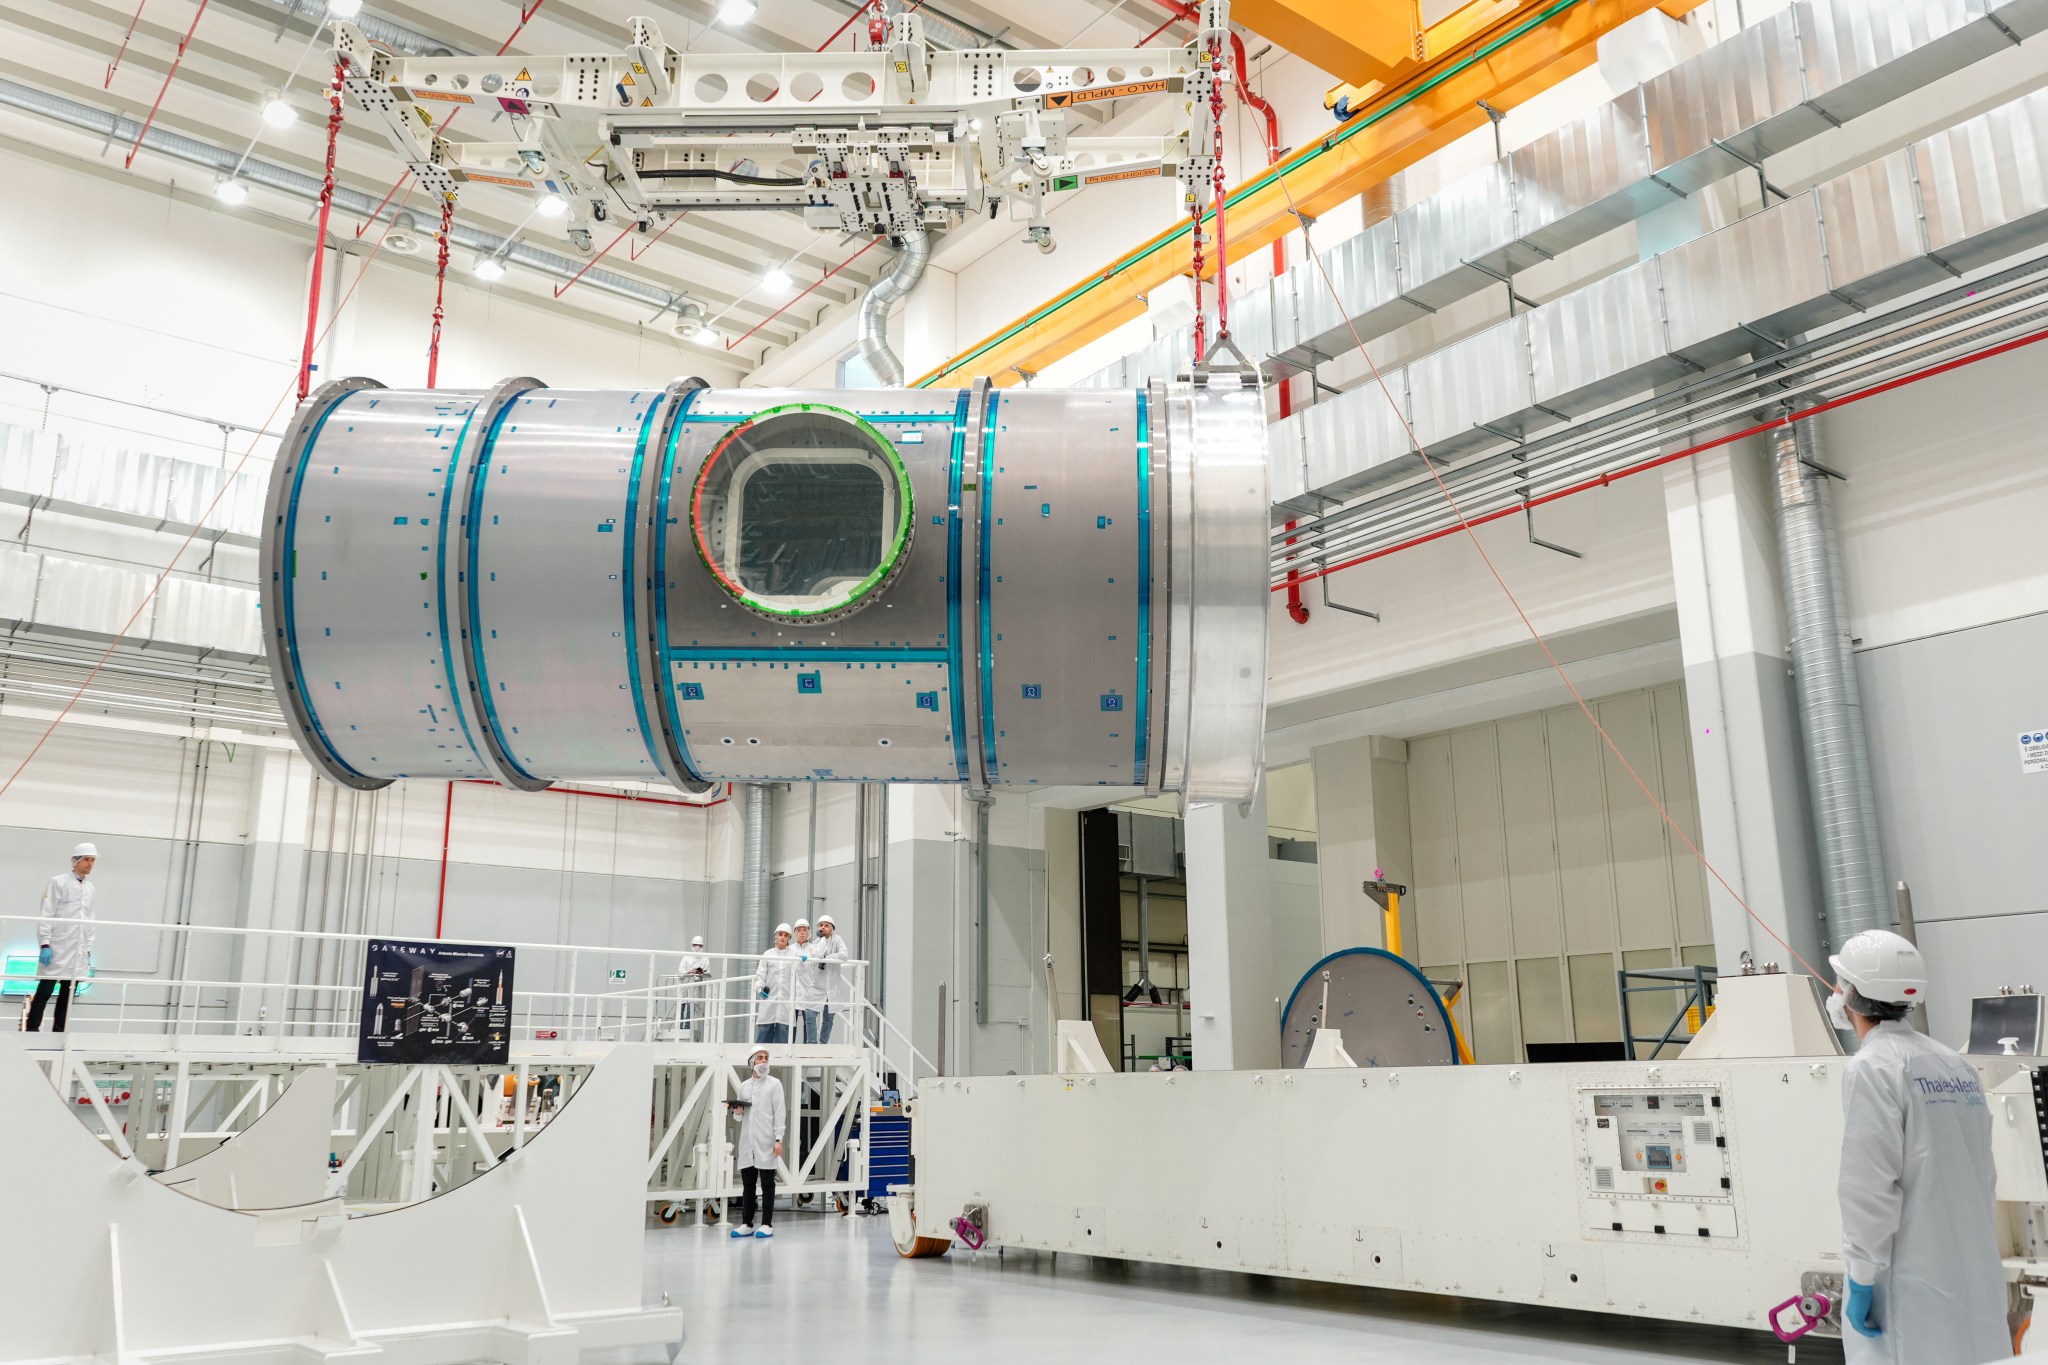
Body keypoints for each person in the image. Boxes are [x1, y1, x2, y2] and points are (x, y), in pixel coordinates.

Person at [1831, 928, 2007, 1363]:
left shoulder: (1872, 1068)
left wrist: (1861, 1274)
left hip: (1908, 1281)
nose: (1835, 992)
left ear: (1853, 994)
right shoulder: (1953, 1064)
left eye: (1840, 983)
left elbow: (1868, 1186)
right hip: (1973, 1268)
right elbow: (1983, 1174)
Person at [28, 843, 98, 1033]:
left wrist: (88, 947)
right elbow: (46, 913)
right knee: (44, 991)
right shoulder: (58, 882)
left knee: (68, 994)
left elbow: (90, 918)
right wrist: (44, 943)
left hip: (78, 949)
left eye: (92, 860)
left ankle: (58, 1032)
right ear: (76, 861)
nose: (90, 864)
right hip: (57, 946)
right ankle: (32, 1030)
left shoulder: (90, 888)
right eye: (86, 860)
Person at [728, 1047, 785, 1239]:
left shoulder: (774, 1084)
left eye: (766, 1058)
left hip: (768, 1141)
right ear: (752, 1062)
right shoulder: (744, 1086)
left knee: (768, 1184)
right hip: (747, 1142)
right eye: (760, 1058)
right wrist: (736, 1112)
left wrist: (779, 1139)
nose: (764, 1061)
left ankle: (767, 1224)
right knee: (748, 1184)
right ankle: (747, 1223)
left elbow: (780, 1112)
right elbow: (740, 1117)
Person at [753, 924, 797, 1044]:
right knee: (763, 1037)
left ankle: (780, 1063)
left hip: (785, 1002)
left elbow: (801, 973)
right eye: (780, 934)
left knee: (782, 1041)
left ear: (789, 939)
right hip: (769, 1001)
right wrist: (759, 989)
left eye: (786, 935)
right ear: (776, 937)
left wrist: (803, 962)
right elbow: (760, 974)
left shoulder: (793, 955)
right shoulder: (767, 954)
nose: (783, 937)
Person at [811, 913, 849, 1043]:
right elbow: (817, 955)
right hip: (818, 986)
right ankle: (812, 1044)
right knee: (811, 1014)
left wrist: (829, 958)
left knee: (828, 1018)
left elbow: (844, 955)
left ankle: (823, 1043)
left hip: (832, 986)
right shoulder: (815, 943)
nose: (823, 928)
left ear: (832, 929)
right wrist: (822, 939)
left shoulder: (837, 939)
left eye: (826, 926)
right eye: (821, 925)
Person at [791, 918, 826, 1044]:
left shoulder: (813, 949)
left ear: (809, 932)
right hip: (792, 992)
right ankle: (790, 1048)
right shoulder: (790, 950)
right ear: (795, 933)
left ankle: (807, 1049)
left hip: (809, 991)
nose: (801, 933)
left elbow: (820, 957)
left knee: (809, 1023)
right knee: (791, 1023)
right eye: (799, 930)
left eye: (804, 930)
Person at [677, 935, 710, 1041]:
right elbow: (680, 972)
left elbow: (708, 972)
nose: (697, 947)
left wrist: (699, 972)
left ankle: (687, 1026)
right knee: (682, 1005)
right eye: (695, 945)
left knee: (691, 1006)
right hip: (684, 985)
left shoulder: (705, 958)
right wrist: (689, 972)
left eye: (699, 945)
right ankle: (681, 1026)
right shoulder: (686, 957)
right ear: (691, 945)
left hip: (696, 987)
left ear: (702, 946)